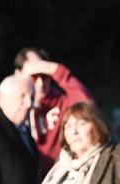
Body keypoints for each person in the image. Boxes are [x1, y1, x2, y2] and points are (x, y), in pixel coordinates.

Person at [13, 47, 93, 176]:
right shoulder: (12, 105)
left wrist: (55, 70)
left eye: (44, 76)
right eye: (33, 77)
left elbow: (86, 104)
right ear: (18, 75)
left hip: (55, 178)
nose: (39, 83)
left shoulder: (62, 103)